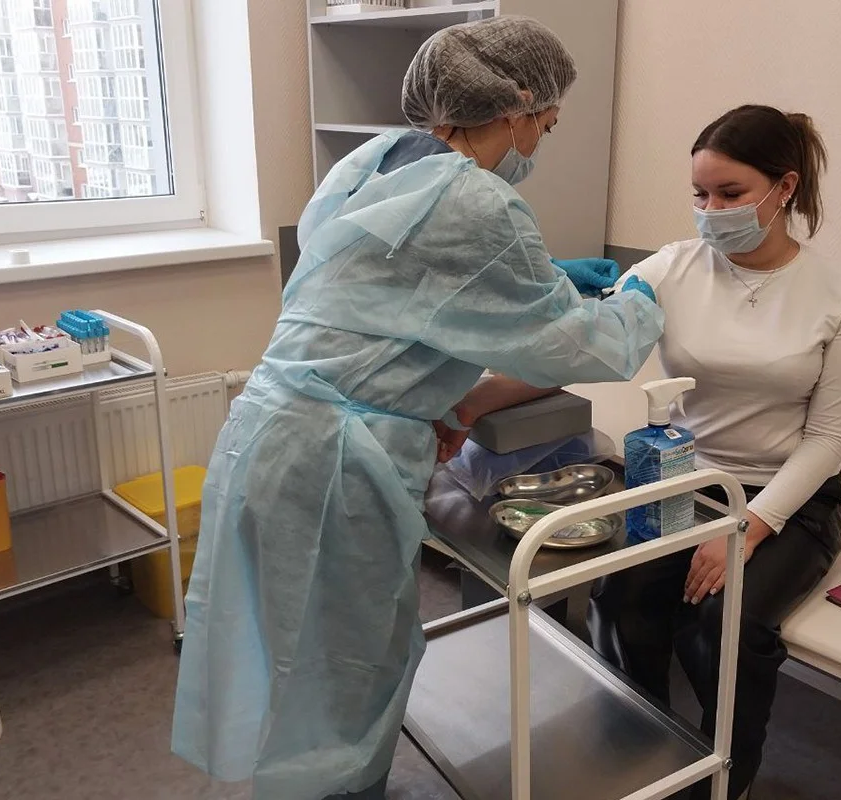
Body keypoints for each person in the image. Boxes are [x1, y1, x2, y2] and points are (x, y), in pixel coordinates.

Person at [170, 16, 663, 800]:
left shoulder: (374, 161)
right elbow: (579, 348)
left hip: (270, 428)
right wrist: (641, 301)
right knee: (348, 662)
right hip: (334, 462)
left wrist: (542, 281)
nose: (544, 139)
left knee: (290, 640)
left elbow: (392, 294)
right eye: (546, 123)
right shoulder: (478, 202)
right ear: (517, 105)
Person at [587, 105, 841, 798]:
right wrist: (479, 394)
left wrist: (747, 528)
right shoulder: (671, 268)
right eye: (700, 194)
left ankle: (725, 778)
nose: (710, 211)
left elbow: (827, 440)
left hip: (787, 500)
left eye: (730, 194)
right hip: (685, 482)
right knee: (621, 598)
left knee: (725, 624)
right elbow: (587, 338)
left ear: (785, 187)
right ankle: (647, 755)